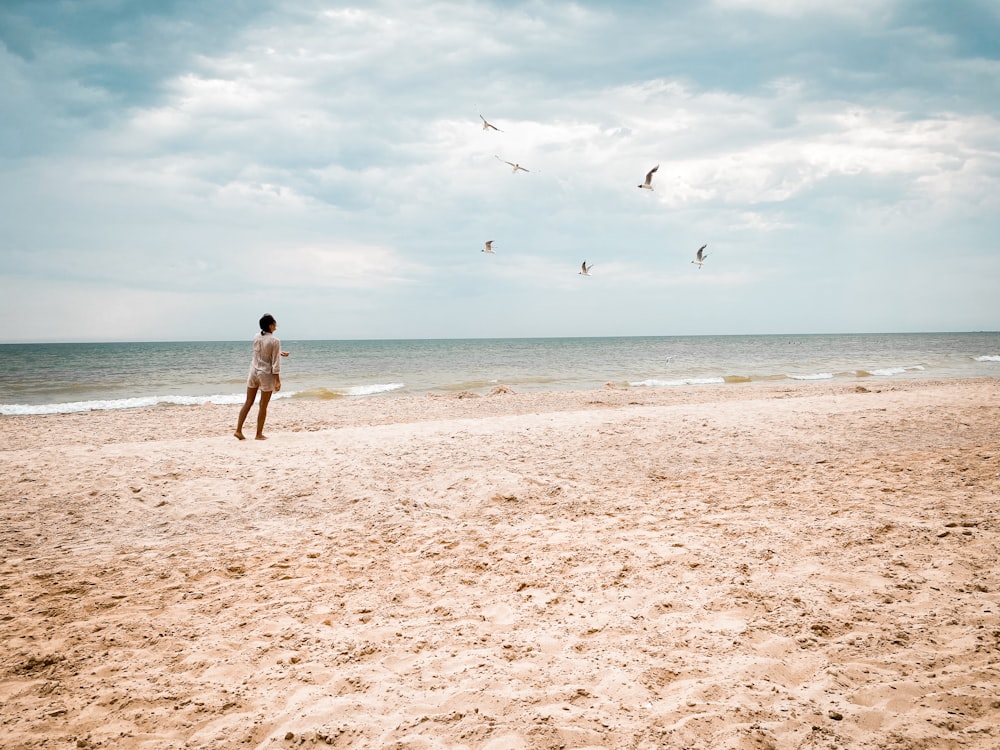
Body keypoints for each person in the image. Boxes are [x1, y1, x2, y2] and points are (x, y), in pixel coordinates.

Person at [234, 313, 289, 440]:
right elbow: (275, 363)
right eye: (275, 324)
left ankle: (238, 430)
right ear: (270, 326)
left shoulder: (257, 336)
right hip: (265, 374)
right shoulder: (275, 341)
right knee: (263, 405)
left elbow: (261, 352)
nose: (276, 326)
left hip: (253, 371)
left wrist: (280, 353)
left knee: (248, 401)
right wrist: (278, 380)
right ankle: (258, 434)